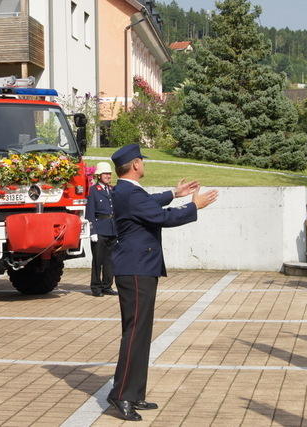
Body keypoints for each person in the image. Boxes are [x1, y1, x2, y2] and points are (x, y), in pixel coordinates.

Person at [106, 144, 218, 421]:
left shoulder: (127, 191)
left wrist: (173, 194)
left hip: (138, 267)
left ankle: (132, 392)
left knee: (140, 333)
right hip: (136, 269)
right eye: (141, 161)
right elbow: (162, 218)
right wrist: (193, 205)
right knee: (135, 333)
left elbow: (150, 204)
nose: (144, 165)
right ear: (134, 165)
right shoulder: (130, 193)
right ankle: (122, 395)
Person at [85, 161, 118, 297]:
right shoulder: (93, 190)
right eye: (105, 173)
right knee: (98, 260)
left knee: (110, 260)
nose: (108, 176)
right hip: (99, 229)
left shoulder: (112, 189)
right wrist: (92, 231)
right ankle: (96, 287)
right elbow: (90, 213)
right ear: (99, 175)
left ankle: (107, 285)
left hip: (112, 229)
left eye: (109, 173)